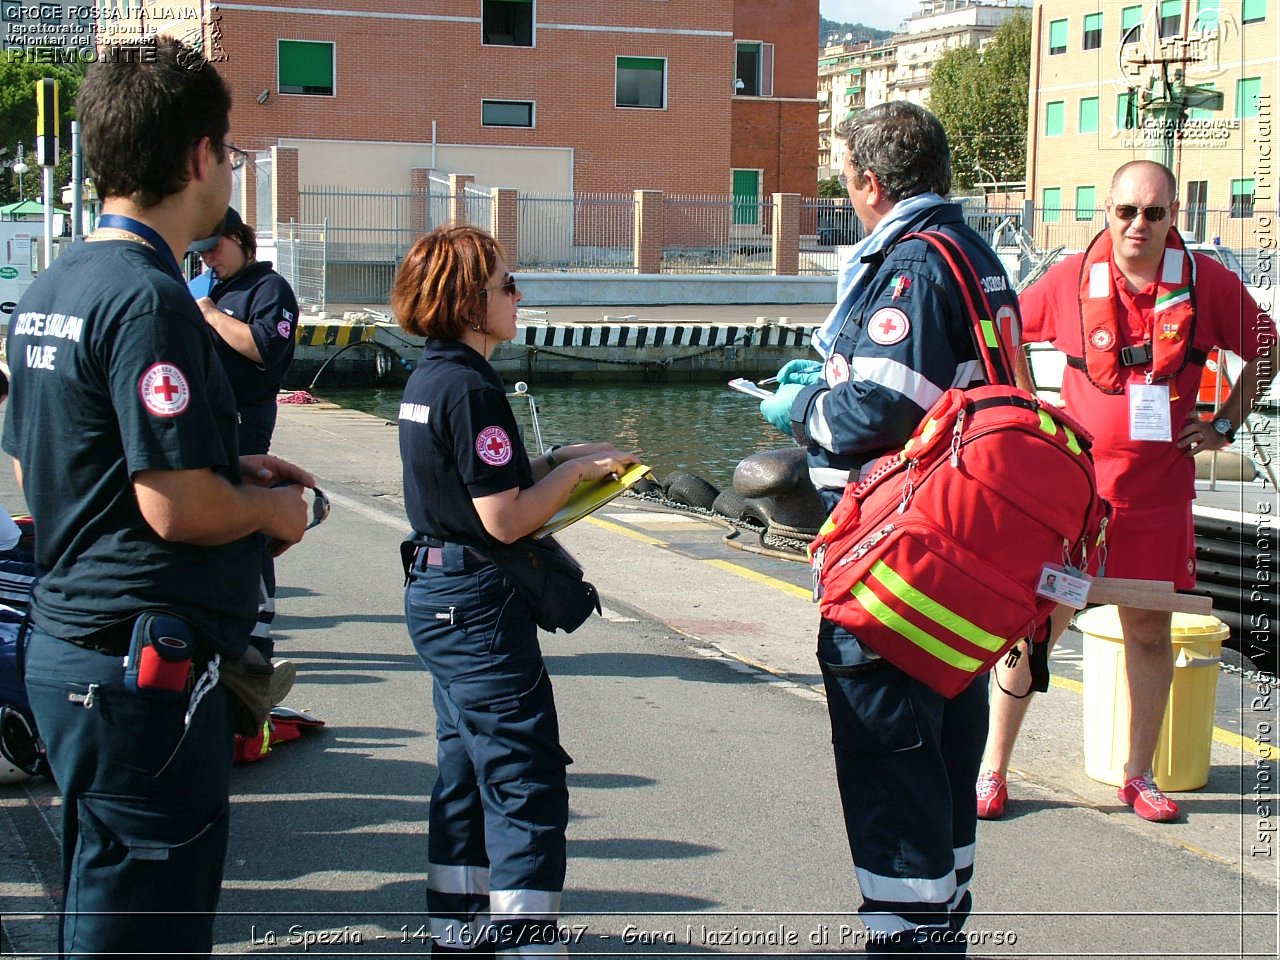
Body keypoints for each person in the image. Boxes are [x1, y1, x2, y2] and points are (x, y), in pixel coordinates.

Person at [1, 37, 315, 955]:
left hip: (75, 645)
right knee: (148, 919)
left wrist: (229, 471)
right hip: (137, 667)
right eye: (228, 149)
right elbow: (174, 506)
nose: (229, 169)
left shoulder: (54, 284)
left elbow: (49, 461)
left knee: (105, 895)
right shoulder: (149, 300)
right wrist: (268, 511)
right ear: (195, 158)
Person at [758, 101, 1022, 953]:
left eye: (846, 174)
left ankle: (910, 936)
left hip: (898, 573)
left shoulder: (910, 265)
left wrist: (806, 407)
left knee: (889, 765)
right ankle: (940, 925)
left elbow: (879, 405)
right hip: (962, 565)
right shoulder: (972, 253)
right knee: (945, 755)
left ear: (870, 182)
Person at [976, 160, 1276, 823]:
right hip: (1074, 502)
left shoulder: (1207, 286)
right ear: (1106, 213)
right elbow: (1001, 330)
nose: (1138, 225)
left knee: (1148, 635)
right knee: (1037, 629)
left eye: (1154, 213)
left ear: (1175, 218)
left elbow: (1266, 345)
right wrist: (1025, 410)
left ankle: (1137, 775)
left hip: (1158, 501)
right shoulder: (1064, 282)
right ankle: (992, 769)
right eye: (1125, 212)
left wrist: (1225, 421)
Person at [393, 224, 637, 955]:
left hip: (437, 595)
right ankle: (528, 942)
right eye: (505, 284)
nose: (518, 295)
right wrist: (567, 479)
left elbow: (474, 484)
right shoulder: (471, 388)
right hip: (474, 606)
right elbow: (502, 519)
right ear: (469, 300)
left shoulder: (429, 378)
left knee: (465, 767)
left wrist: (561, 457)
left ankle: (459, 928)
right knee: (524, 776)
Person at [190, 206, 300, 661]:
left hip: (244, 417)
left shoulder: (269, 289)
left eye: (213, 248)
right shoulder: (208, 286)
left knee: (245, 511)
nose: (208, 260)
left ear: (239, 238)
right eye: (199, 254)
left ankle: (258, 622)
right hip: (204, 418)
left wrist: (212, 315)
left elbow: (263, 349)